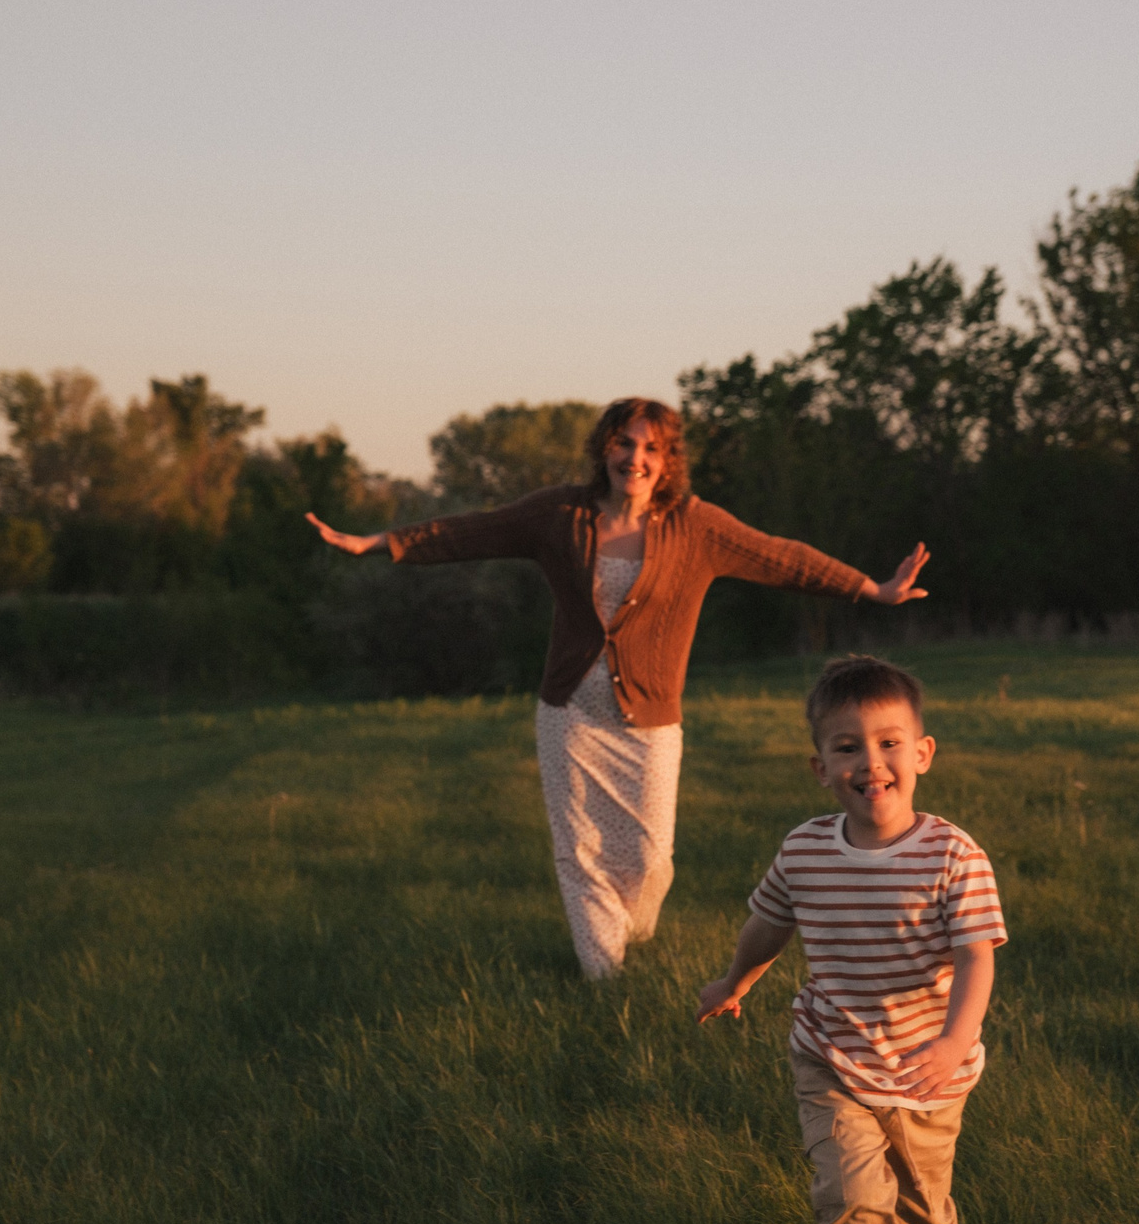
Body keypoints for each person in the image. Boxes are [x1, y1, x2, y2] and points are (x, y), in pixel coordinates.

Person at [307, 397, 929, 979]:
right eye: (624, 443)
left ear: (668, 462)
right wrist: (384, 542)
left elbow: (780, 557)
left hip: (651, 720)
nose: (635, 458)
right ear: (605, 450)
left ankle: (628, 935)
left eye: (651, 448)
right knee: (580, 852)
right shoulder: (561, 515)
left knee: (649, 859)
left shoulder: (695, 526)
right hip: (569, 711)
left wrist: (870, 589)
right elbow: (476, 531)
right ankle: (604, 976)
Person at [695, 655, 1006, 1224]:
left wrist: (956, 1039)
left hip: (929, 1071)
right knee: (854, 1199)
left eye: (889, 743)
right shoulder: (804, 850)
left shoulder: (954, 856)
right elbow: (767, 927)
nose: (871, 762)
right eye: (847, 747)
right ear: (821, 768)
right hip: (831, 1055)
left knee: (920, 1208)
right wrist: (733, 980)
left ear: (922, 753)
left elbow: (977, 956)